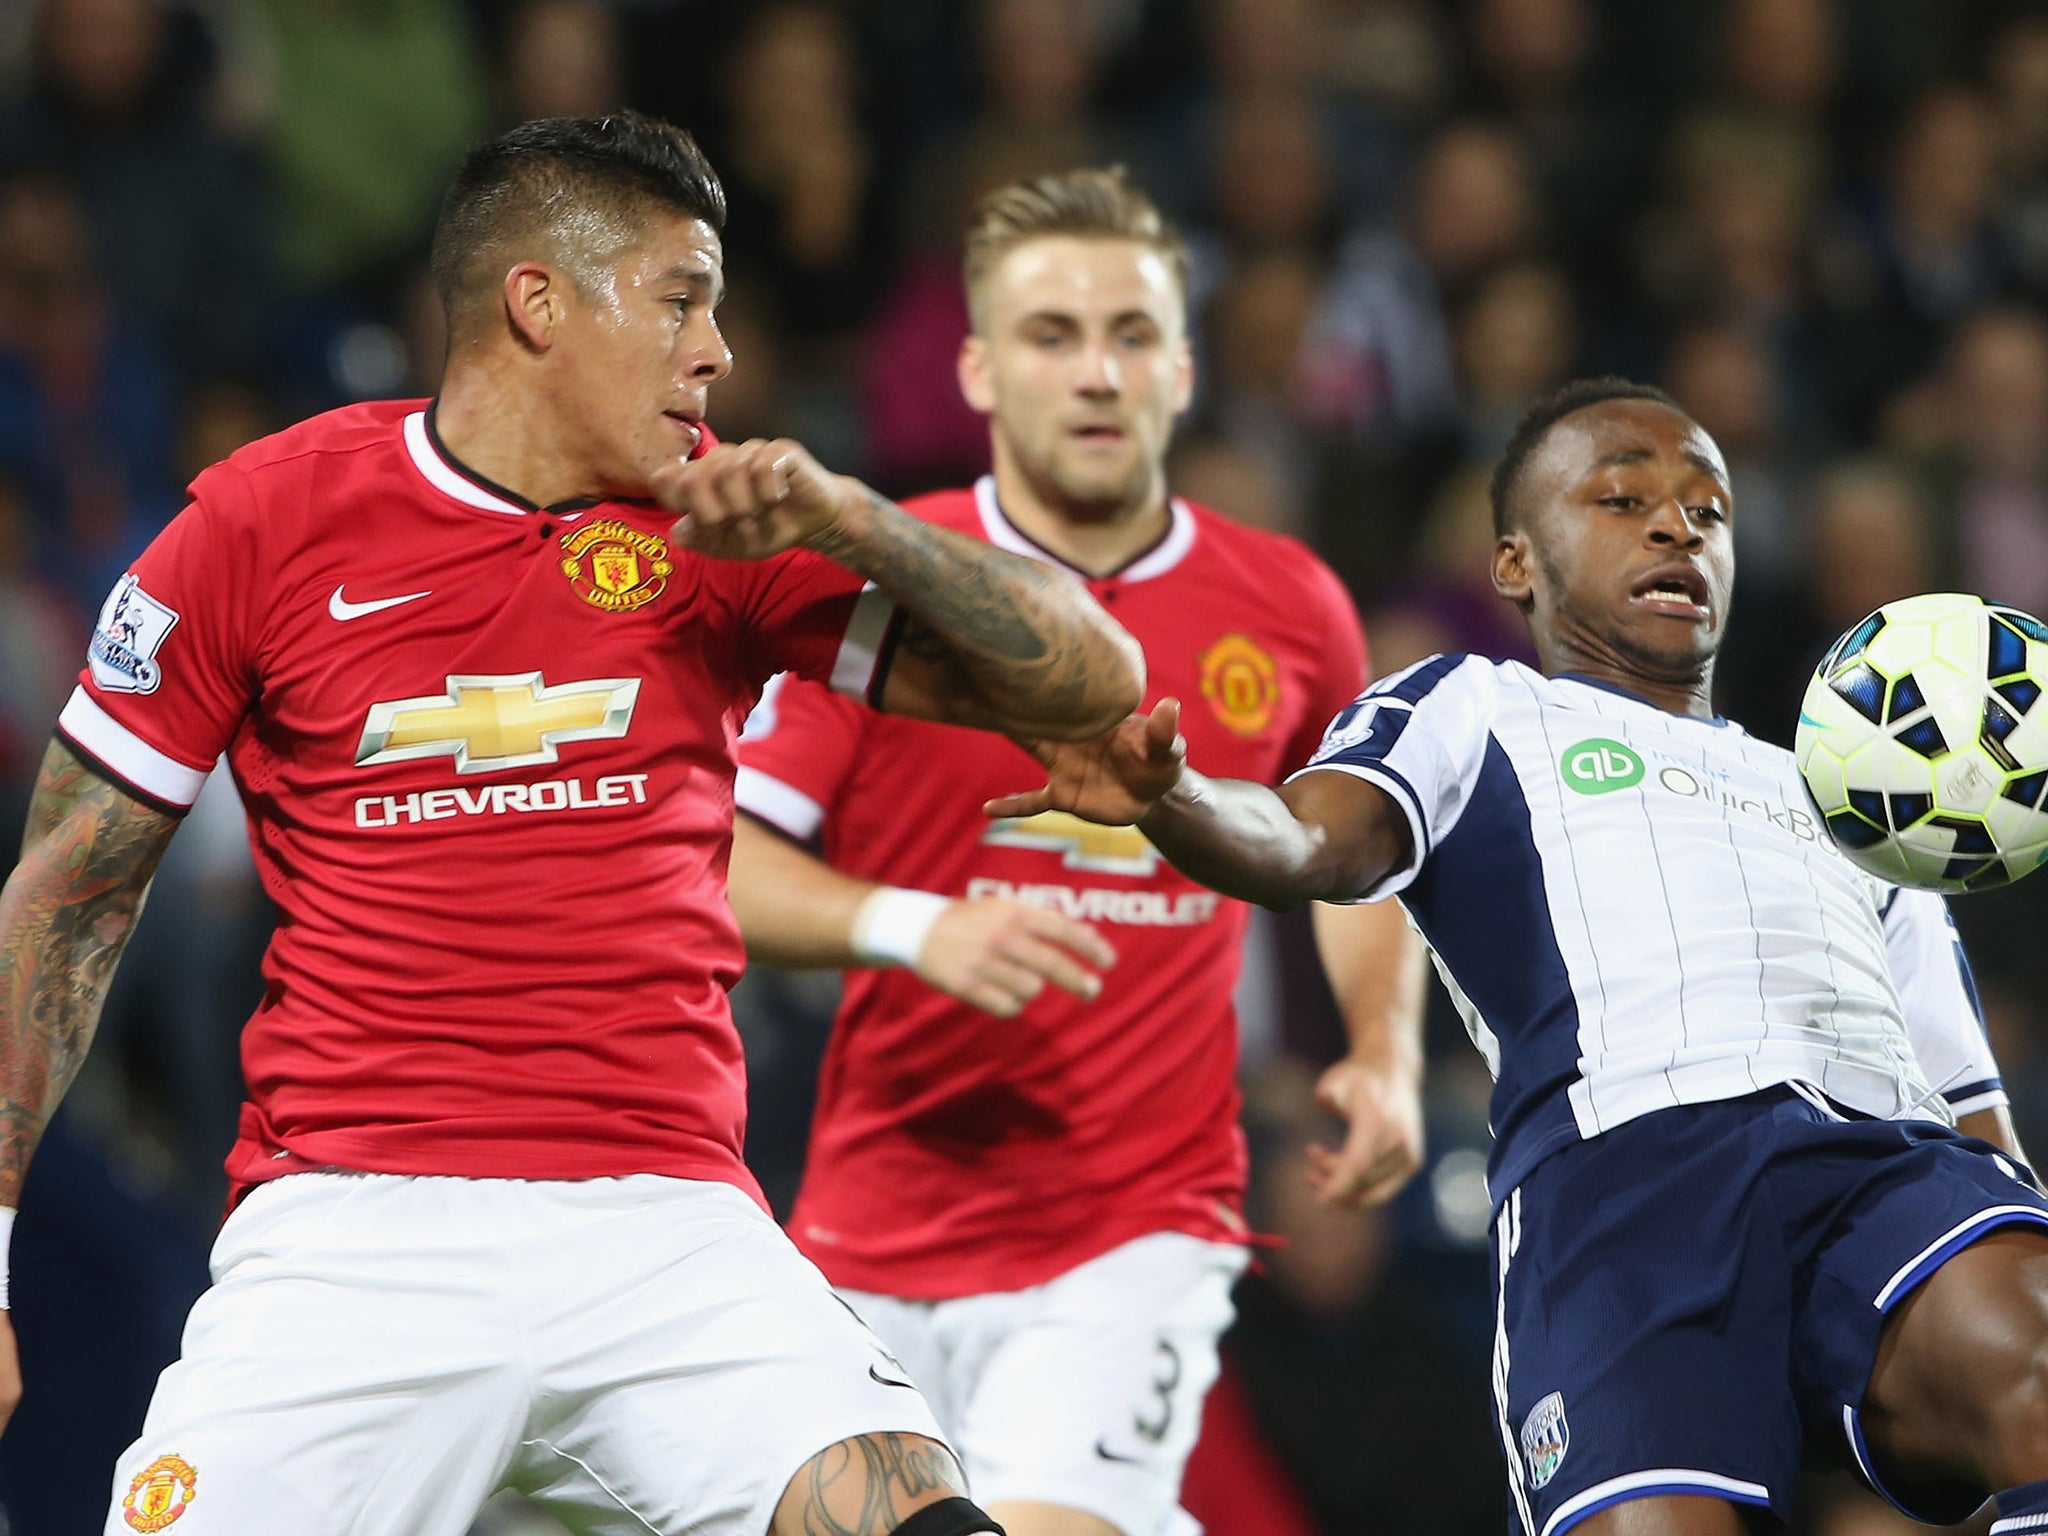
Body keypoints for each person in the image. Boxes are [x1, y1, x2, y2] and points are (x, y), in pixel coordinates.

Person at [0, 111, 1147, 1536]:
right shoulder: (262, 524)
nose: (718, 350)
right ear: (536, 302)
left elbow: (1100, 680)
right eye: (681, 299)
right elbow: (67, 888)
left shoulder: (724, 534)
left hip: (668, 1226)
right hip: (357, 1228)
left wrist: (853, 517)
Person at [993, 376, 2048, 1536]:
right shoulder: (1469, 706)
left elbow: (1970, 1113)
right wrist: (1175, 797)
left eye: (1707, 510)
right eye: (1619, 498)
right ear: (1513, 565)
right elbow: (1308, 844)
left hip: (1875, 1169)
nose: (1673, 526)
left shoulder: (1845, 790)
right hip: (1626, 1194)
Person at [726, 167, 1425, 1536]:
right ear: (980, 368)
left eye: (1131, 334)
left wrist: (1382, 1046)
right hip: (876, 1222)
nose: (1096, 372)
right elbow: (729, 873)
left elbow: (1348, 856)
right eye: (1053, 335)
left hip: (1134, 1228)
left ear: (1181, 364)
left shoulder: (1289, 604)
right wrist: (913, 926)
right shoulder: (882, 585)